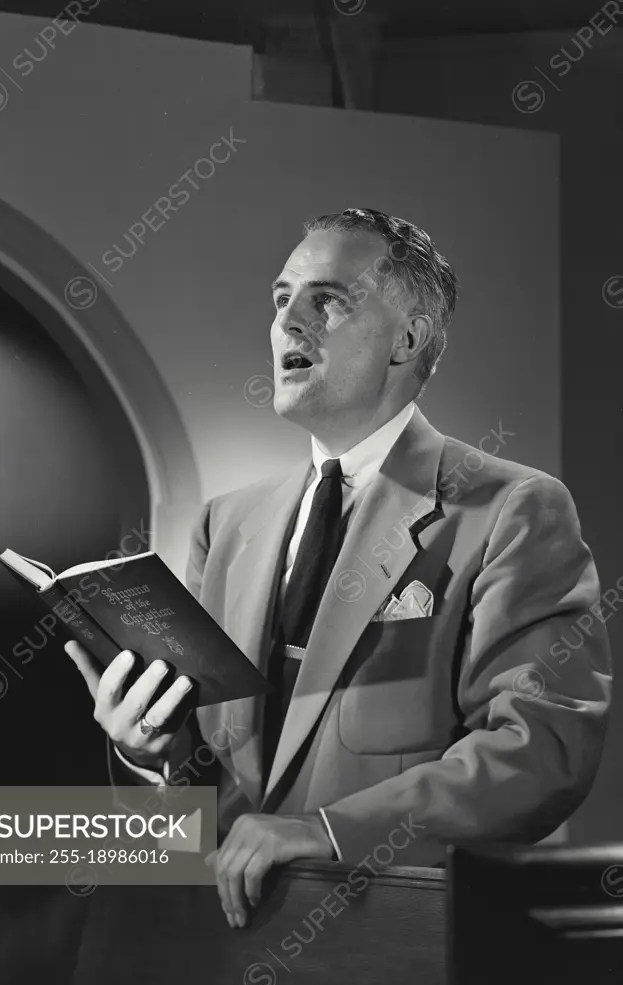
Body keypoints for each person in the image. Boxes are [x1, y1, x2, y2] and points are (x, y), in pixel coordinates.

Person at [66, 207, 612, 929]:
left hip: (387, 955)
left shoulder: (511, 508)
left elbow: (539, 750)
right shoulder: (224, 526)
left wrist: (326, 833)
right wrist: (149, 752)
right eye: (281, 297)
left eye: (327, 299)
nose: (288, 321)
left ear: (407, 339)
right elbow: (207, 783)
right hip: (212, 960)